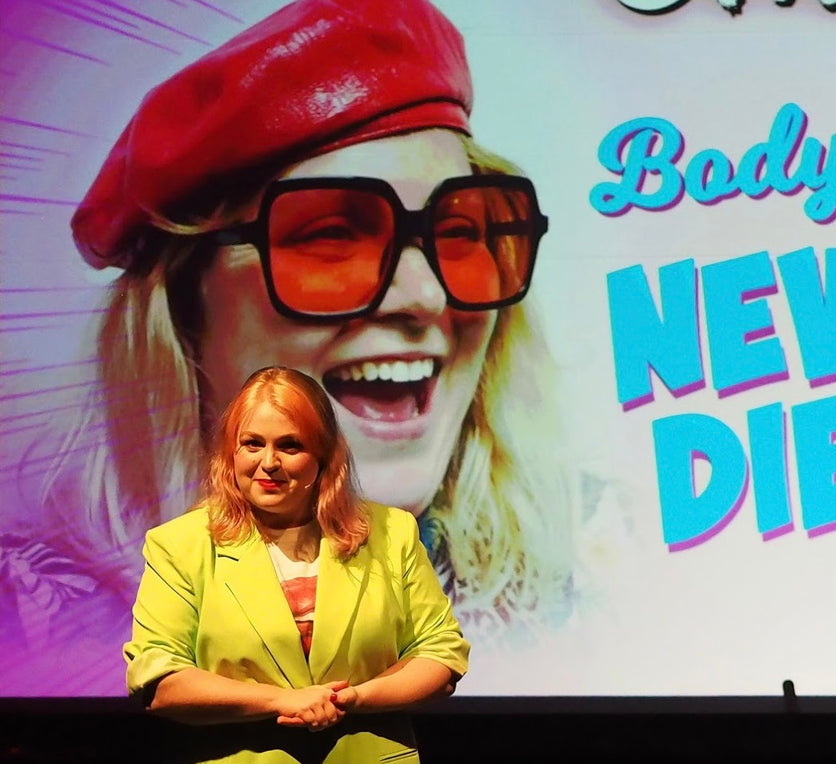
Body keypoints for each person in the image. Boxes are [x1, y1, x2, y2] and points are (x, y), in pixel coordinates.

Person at [1, 0, 582, 696]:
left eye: (459, 233)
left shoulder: (579, 600)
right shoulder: (35, 632)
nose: (426, 297)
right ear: (186, 309)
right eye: (331, 236)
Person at [124, 364, 469, 764]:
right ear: (230, 452)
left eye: (290, 446)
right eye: (252, 444)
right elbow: (159, 678)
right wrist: (278, 703)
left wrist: (356, 699)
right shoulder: (181, 548)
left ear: (325, 456)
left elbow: (441, 652)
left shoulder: (390, 537)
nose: (269, 463)